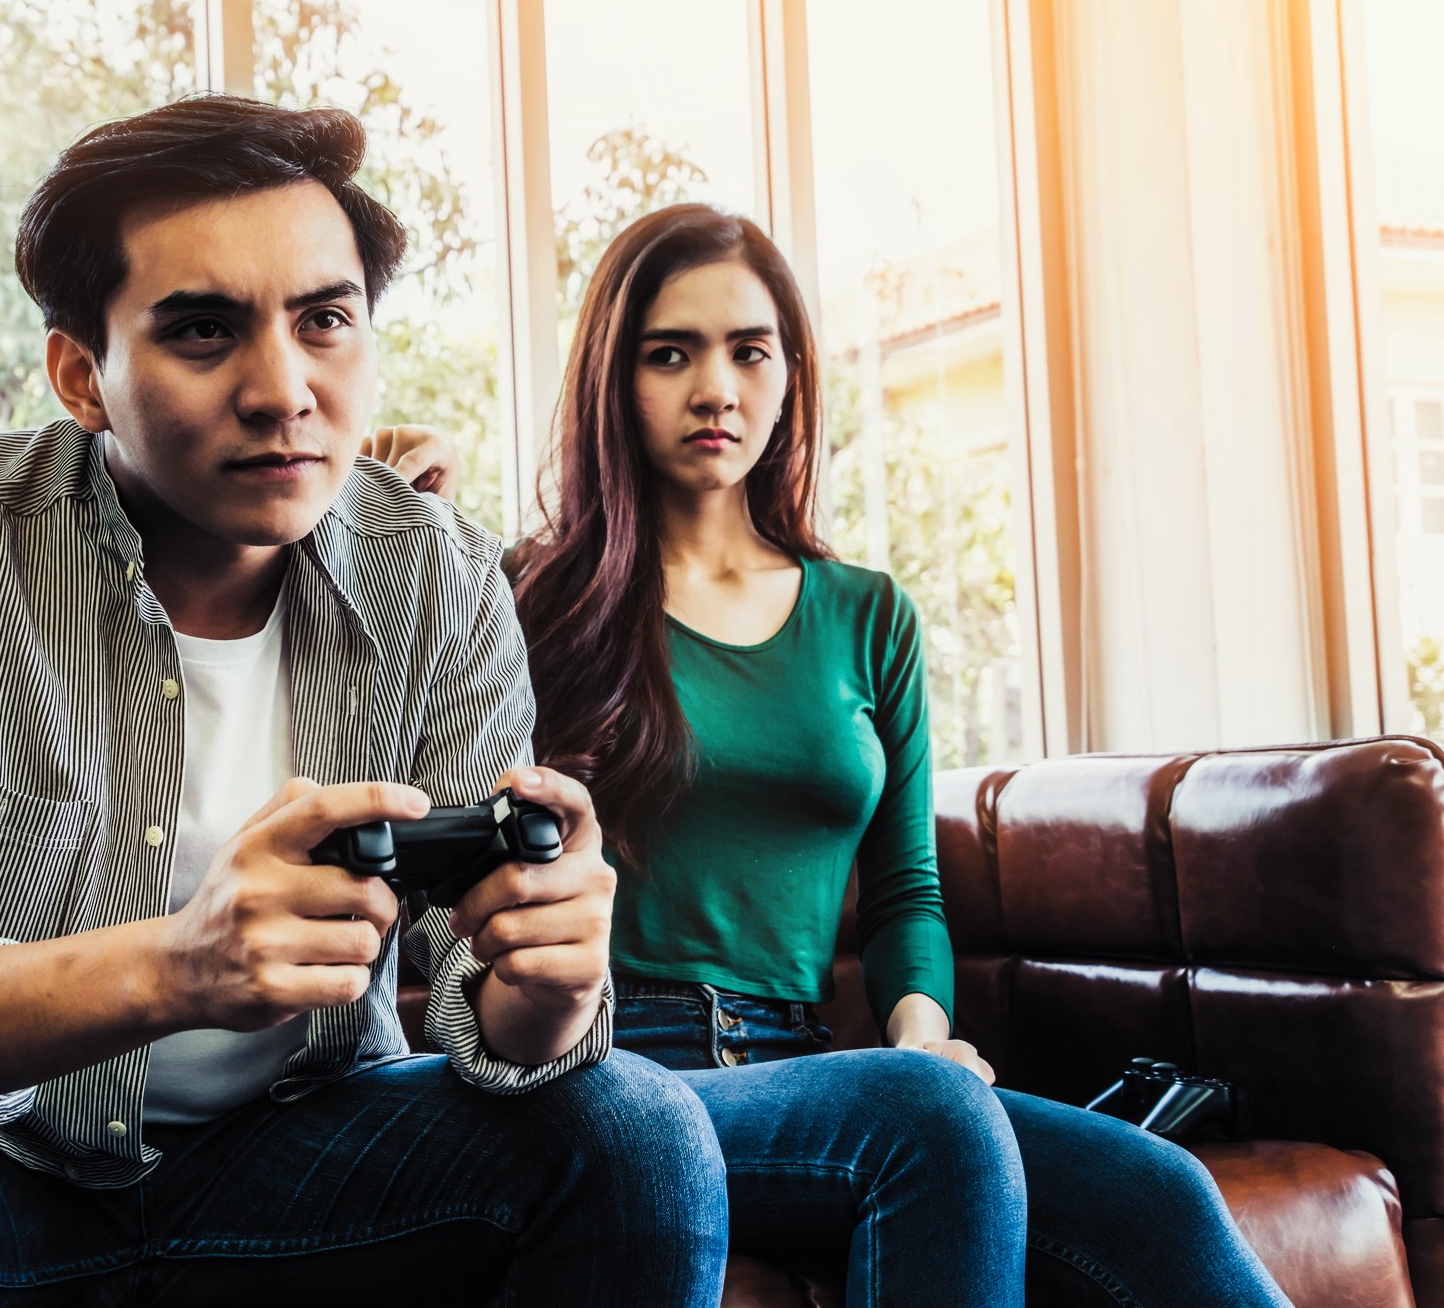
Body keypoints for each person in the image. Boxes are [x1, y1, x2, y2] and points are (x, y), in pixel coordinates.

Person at [0, 99, 730, 1306]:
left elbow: (478, 1006)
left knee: (638, 1125)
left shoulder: (435, 570)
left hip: (315, 1160)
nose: (282, 390)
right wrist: (177, 966)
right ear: (82, 372)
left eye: (324, 320)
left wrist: (543, 987)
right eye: (202, 331)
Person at [364, 203, 1291, 1306]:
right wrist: (397, 512)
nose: (716, 388)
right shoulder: (528, 595)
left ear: (790, 377)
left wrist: (919, 1039)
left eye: (748, 351)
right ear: (615, 379)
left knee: (1156, 1191)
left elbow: (906, 893)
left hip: (813, 1066)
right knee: (924, 1130)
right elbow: (404, 759)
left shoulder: (867, 615)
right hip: (608, 1058)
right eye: (671, 354)